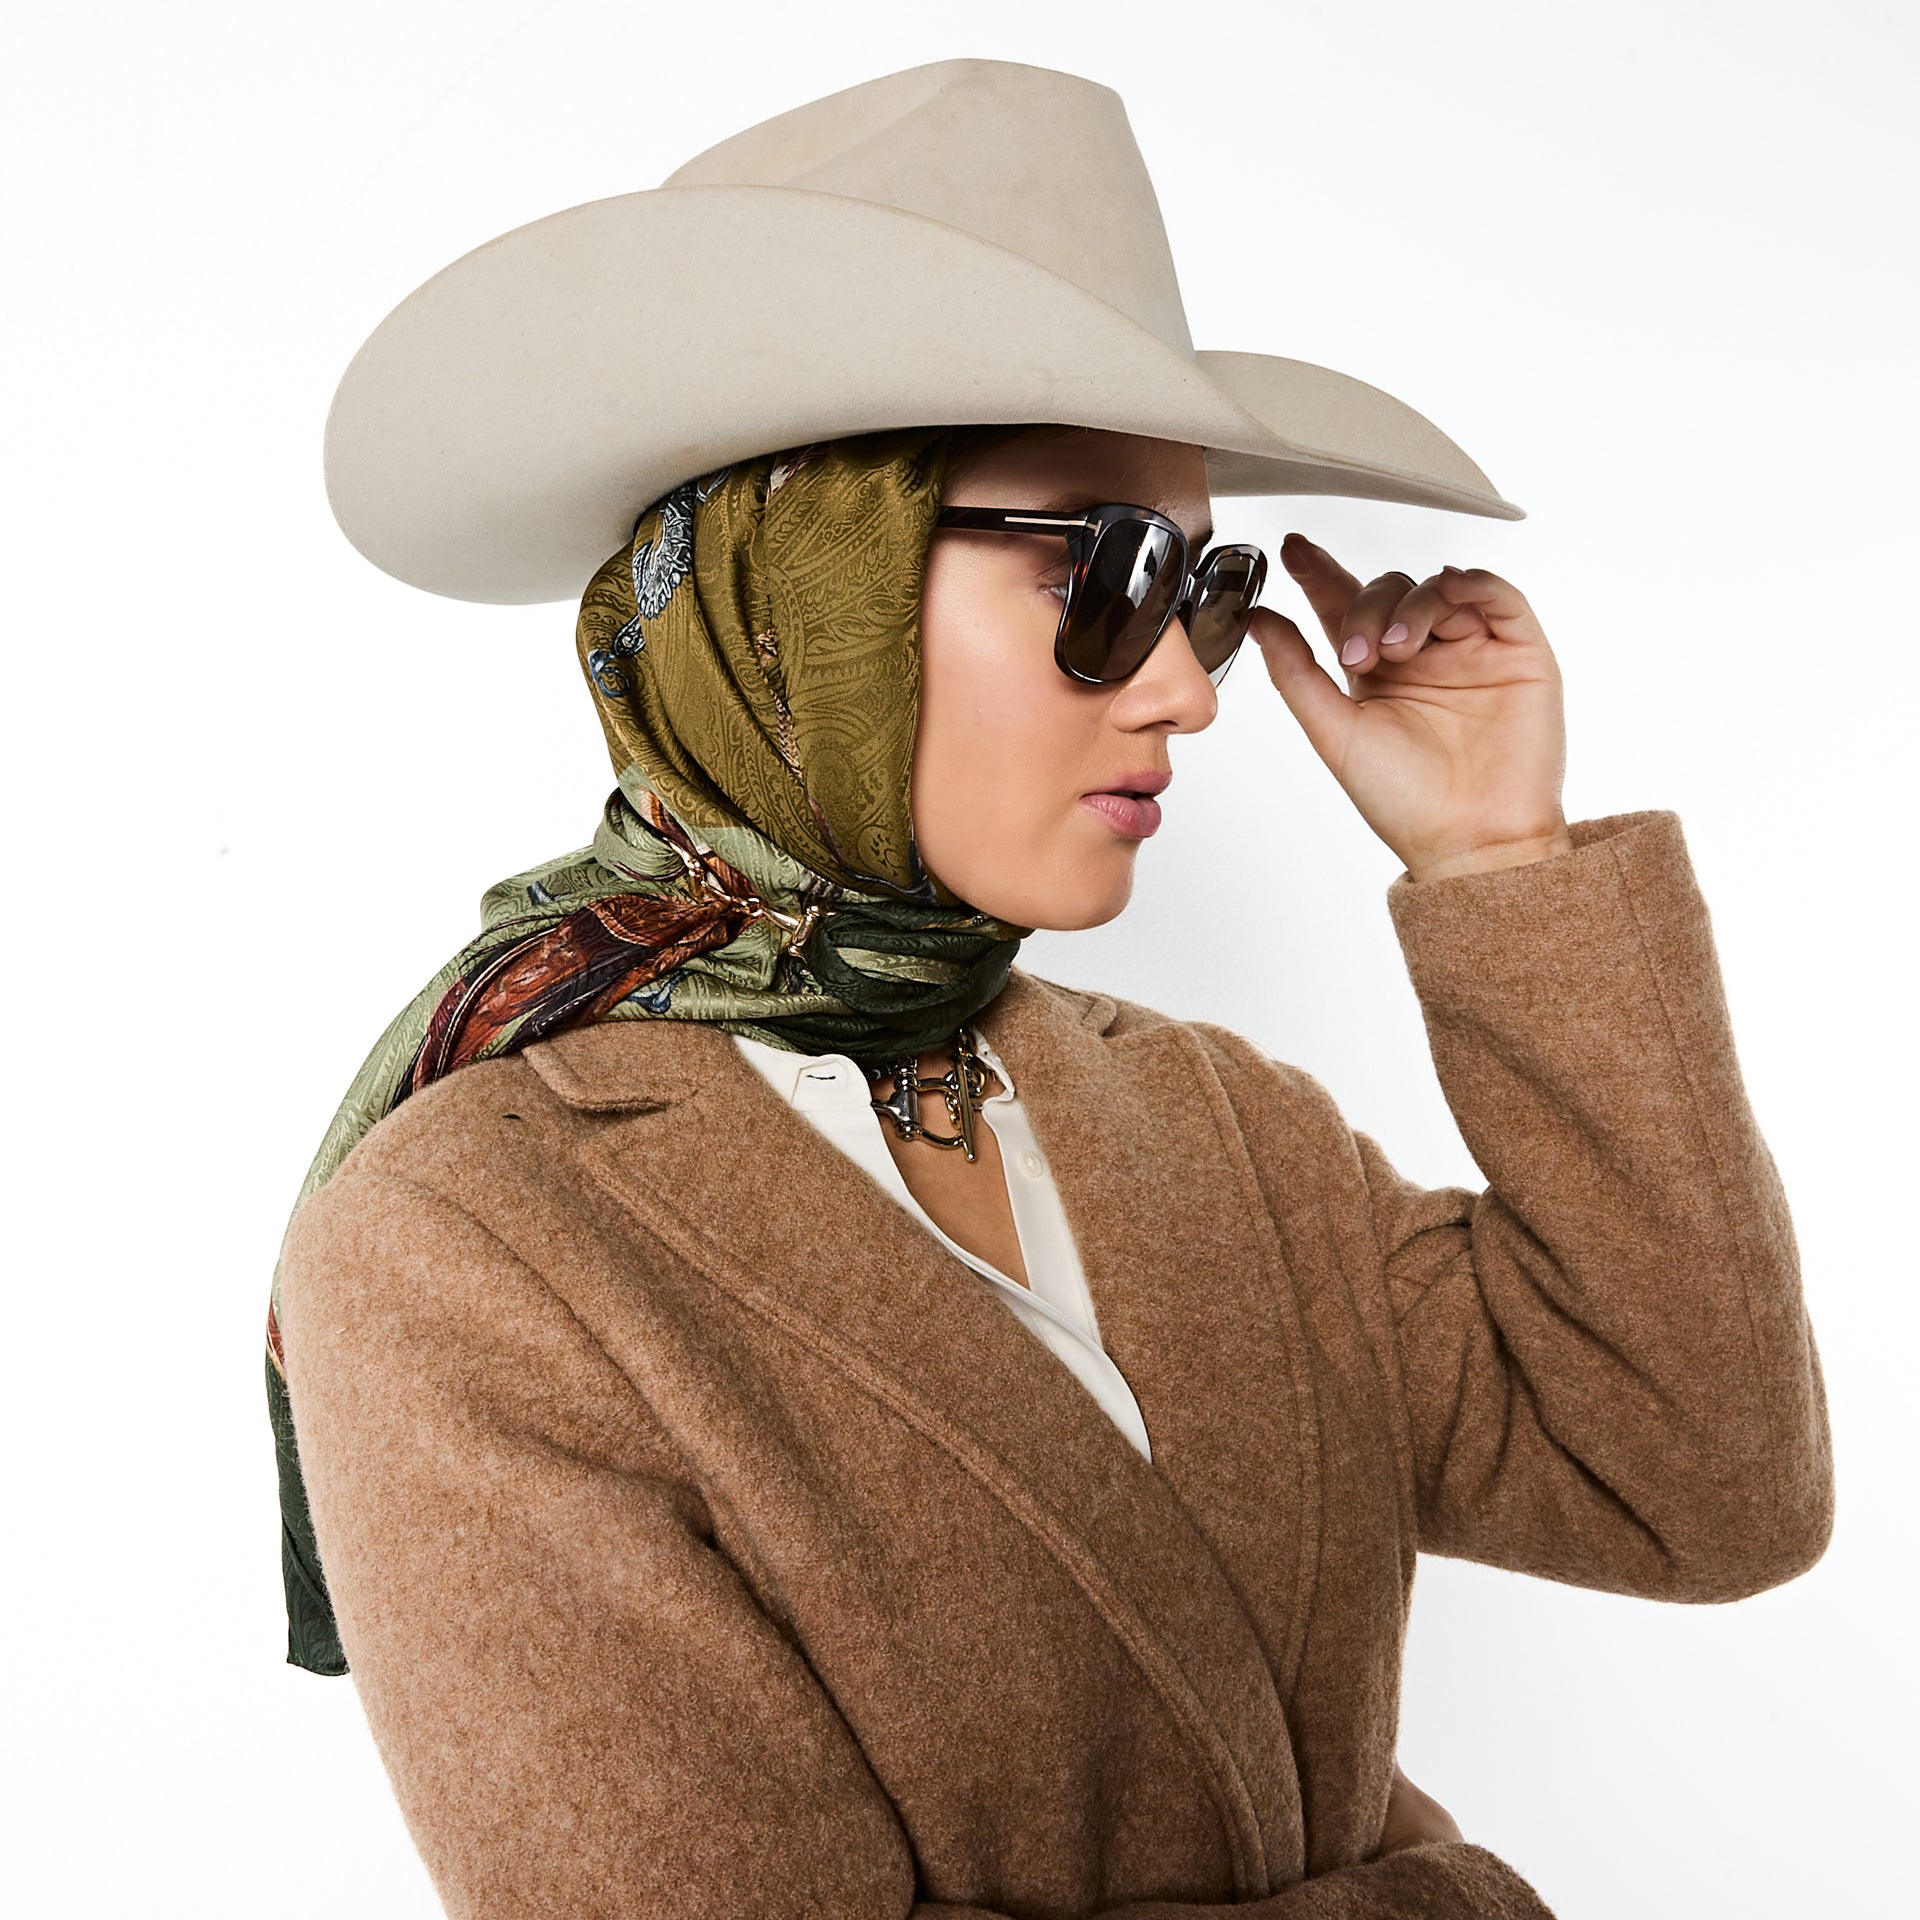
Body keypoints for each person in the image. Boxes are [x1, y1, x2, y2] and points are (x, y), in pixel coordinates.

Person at [268, 58, 1833, 1920]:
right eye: (1109, 571)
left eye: (1206, 589)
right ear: (803, 595)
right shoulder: (469, 1246)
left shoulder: (1216, 1121)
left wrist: (1501, 866)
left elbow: (1698, 1485)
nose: (1186, 686)